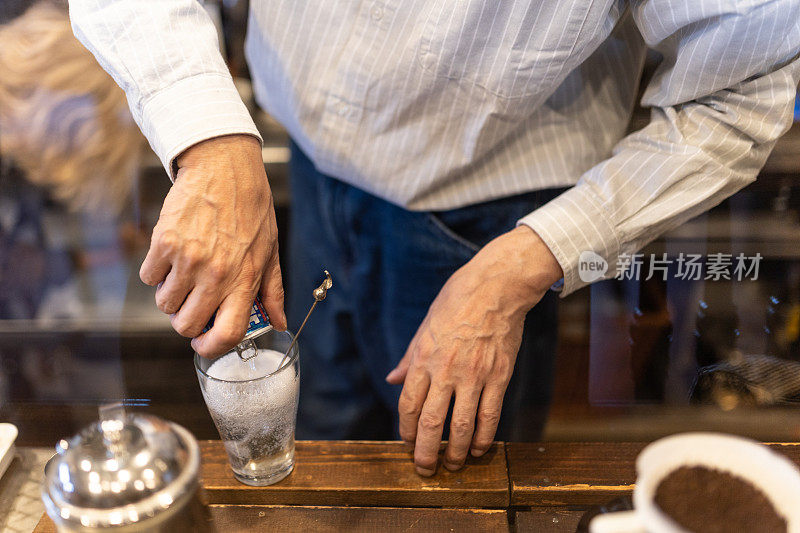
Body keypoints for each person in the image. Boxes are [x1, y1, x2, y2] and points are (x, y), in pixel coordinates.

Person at [69, 0, 800, 476]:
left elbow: (740, 92)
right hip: (308, 170)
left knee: (448, 481)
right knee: (323, 437)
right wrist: (209, 138)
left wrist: (524, 263)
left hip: (488, 220)